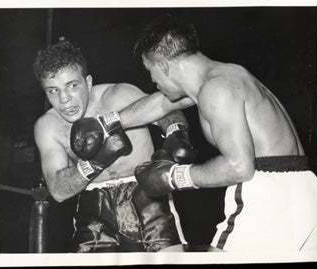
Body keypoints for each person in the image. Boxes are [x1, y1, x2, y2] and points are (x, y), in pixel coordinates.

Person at [72, 14, 317, 252]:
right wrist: (107, 122)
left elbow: (239, 167)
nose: (153, 81)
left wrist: (173, 177)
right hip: (306, 189)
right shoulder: (225, 76)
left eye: (151, 71)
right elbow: (160, 104)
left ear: (162, 65)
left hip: (270, 194)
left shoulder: (216, 89)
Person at [32, 39, 196, 252]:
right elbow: (58, 190)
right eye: (53, 90)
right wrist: (97, 162)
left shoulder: (120, 95)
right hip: (93, 208)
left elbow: (166, 106)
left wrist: (176, 132)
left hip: (146, 196)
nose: (64, 99)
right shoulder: (48, 126)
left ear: (88, 82)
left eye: (72, 86)